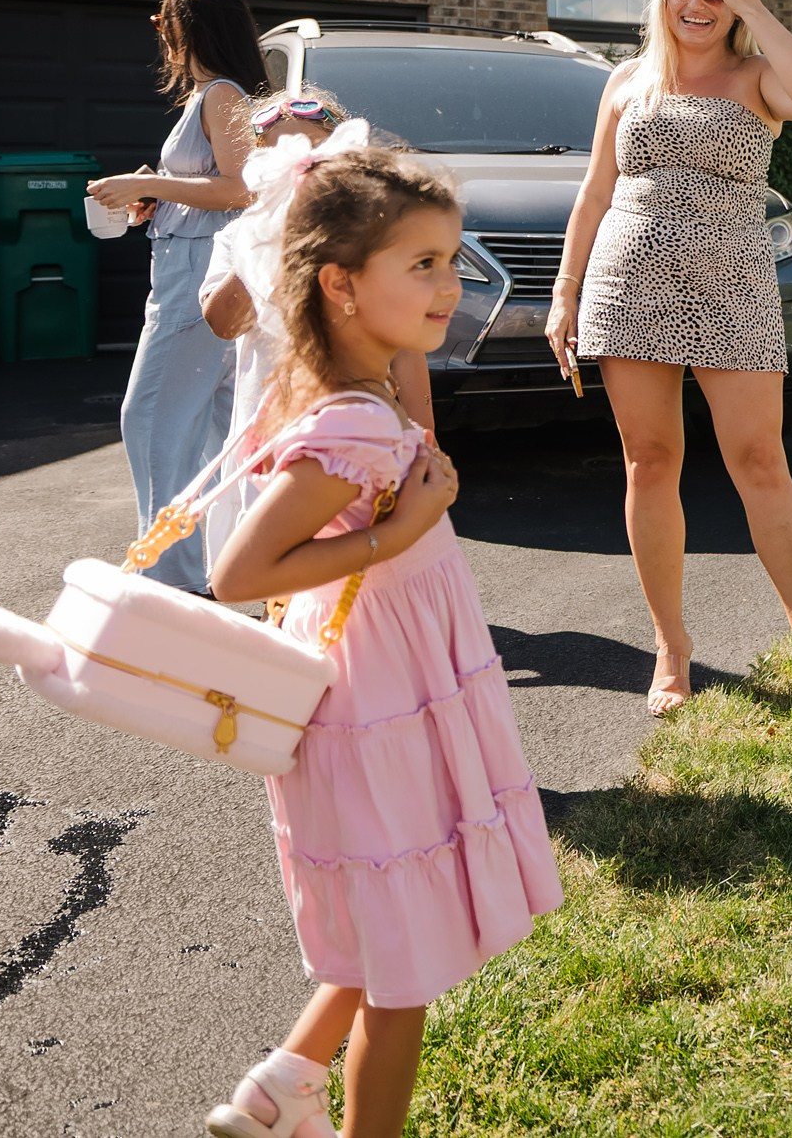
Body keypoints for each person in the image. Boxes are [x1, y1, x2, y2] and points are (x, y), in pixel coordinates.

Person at [205, 140, 559, 1138]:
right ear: (341, 285)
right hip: (377, 699)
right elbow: (237, 573)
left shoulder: (359, 393)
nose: (452, 284)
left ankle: (286, 1082)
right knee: (404, 973)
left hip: (393, 684)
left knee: (397, 922)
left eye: (452, 259)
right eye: (423, 265)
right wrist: (395, 532)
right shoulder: (353, 427)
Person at [545, 0, 792, 718]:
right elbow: (593, 192)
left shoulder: (759, 77)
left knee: (759, 460)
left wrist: (750, 1)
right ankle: (671, 645)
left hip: (732, 282)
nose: (696, 4)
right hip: (627, 280)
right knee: (649, 459)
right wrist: (565, 291)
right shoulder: (626, 81)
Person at [200, 94, 435, 587]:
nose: (298, 169)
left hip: (357, 424)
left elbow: (408, 346)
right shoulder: (242, 237)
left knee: (358, 554)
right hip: (270, 423)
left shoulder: (370, 237)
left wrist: (425, 439)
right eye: (279, 155)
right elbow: (222, 322)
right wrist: (271, 240)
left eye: (310, 152)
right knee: (277, 563)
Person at [88, 0, 265, 591]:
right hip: (196, 269)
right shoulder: (216, 95)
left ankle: (170, 577)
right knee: (214, 430)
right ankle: (223, 568)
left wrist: (148, 185)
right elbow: (219, 190)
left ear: (187, 26)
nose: (158, 32)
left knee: (152, 418)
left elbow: (243, 188)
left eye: (163, 20)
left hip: (196, 279)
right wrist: (157, 199)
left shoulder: (220, 93)